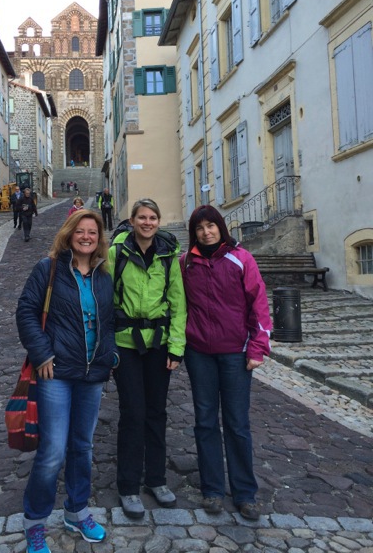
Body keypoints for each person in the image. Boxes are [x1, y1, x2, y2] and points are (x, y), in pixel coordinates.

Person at [16, 210, 119, 552]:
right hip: (57, 373)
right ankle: (35, 520)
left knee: (83, 447)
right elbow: (27, 311)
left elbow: (109, 319)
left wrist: (111, 354)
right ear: (69, 234)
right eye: (81, 231)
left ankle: (77, 511)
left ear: (99, 237)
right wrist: (42, 352)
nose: (87, 236)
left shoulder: (104, 274)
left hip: (92, 374)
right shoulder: (49, 270)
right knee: (52, 451)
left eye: (93, 232)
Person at [179, 205, 272, 522]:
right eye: (200, 227)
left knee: (236, 423)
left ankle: (245, 493)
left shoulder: (240, 258)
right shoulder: (186, 262)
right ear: (195, 232)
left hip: (235, 352)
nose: (206, 232)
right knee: (205, 421)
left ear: (221, 227)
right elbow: (179, 305)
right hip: (198, 352)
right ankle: (213, 489)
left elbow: (258, 303)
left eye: (211, 226)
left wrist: (257, 347)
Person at [109, 198, 187, 519]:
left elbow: (178, 304)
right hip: (125, 345)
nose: (148, 222)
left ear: (158, 221)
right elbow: (106, 297)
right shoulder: (117, 254)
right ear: (132, 220)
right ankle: (128, 486)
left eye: (153, 217)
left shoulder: (169, 255)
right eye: (142, 217)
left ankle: (156, 480)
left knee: (156, 412)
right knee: (133, 413)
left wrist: (176, 348)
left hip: (158, 344)